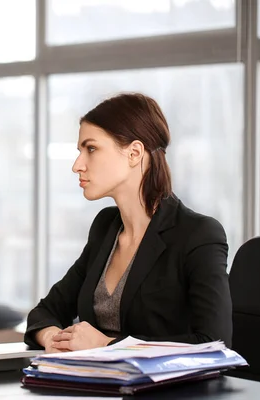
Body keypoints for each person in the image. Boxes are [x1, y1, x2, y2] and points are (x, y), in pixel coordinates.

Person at [24, 93, 232, 353]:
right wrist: (54, 339)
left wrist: (107, 345)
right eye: (80, 151)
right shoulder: (105, 227)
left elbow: (214, 344)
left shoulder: (198, 234)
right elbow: (46, 312)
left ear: (134, 153)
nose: (77, 165)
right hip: (97, 384)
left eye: (91, 149)